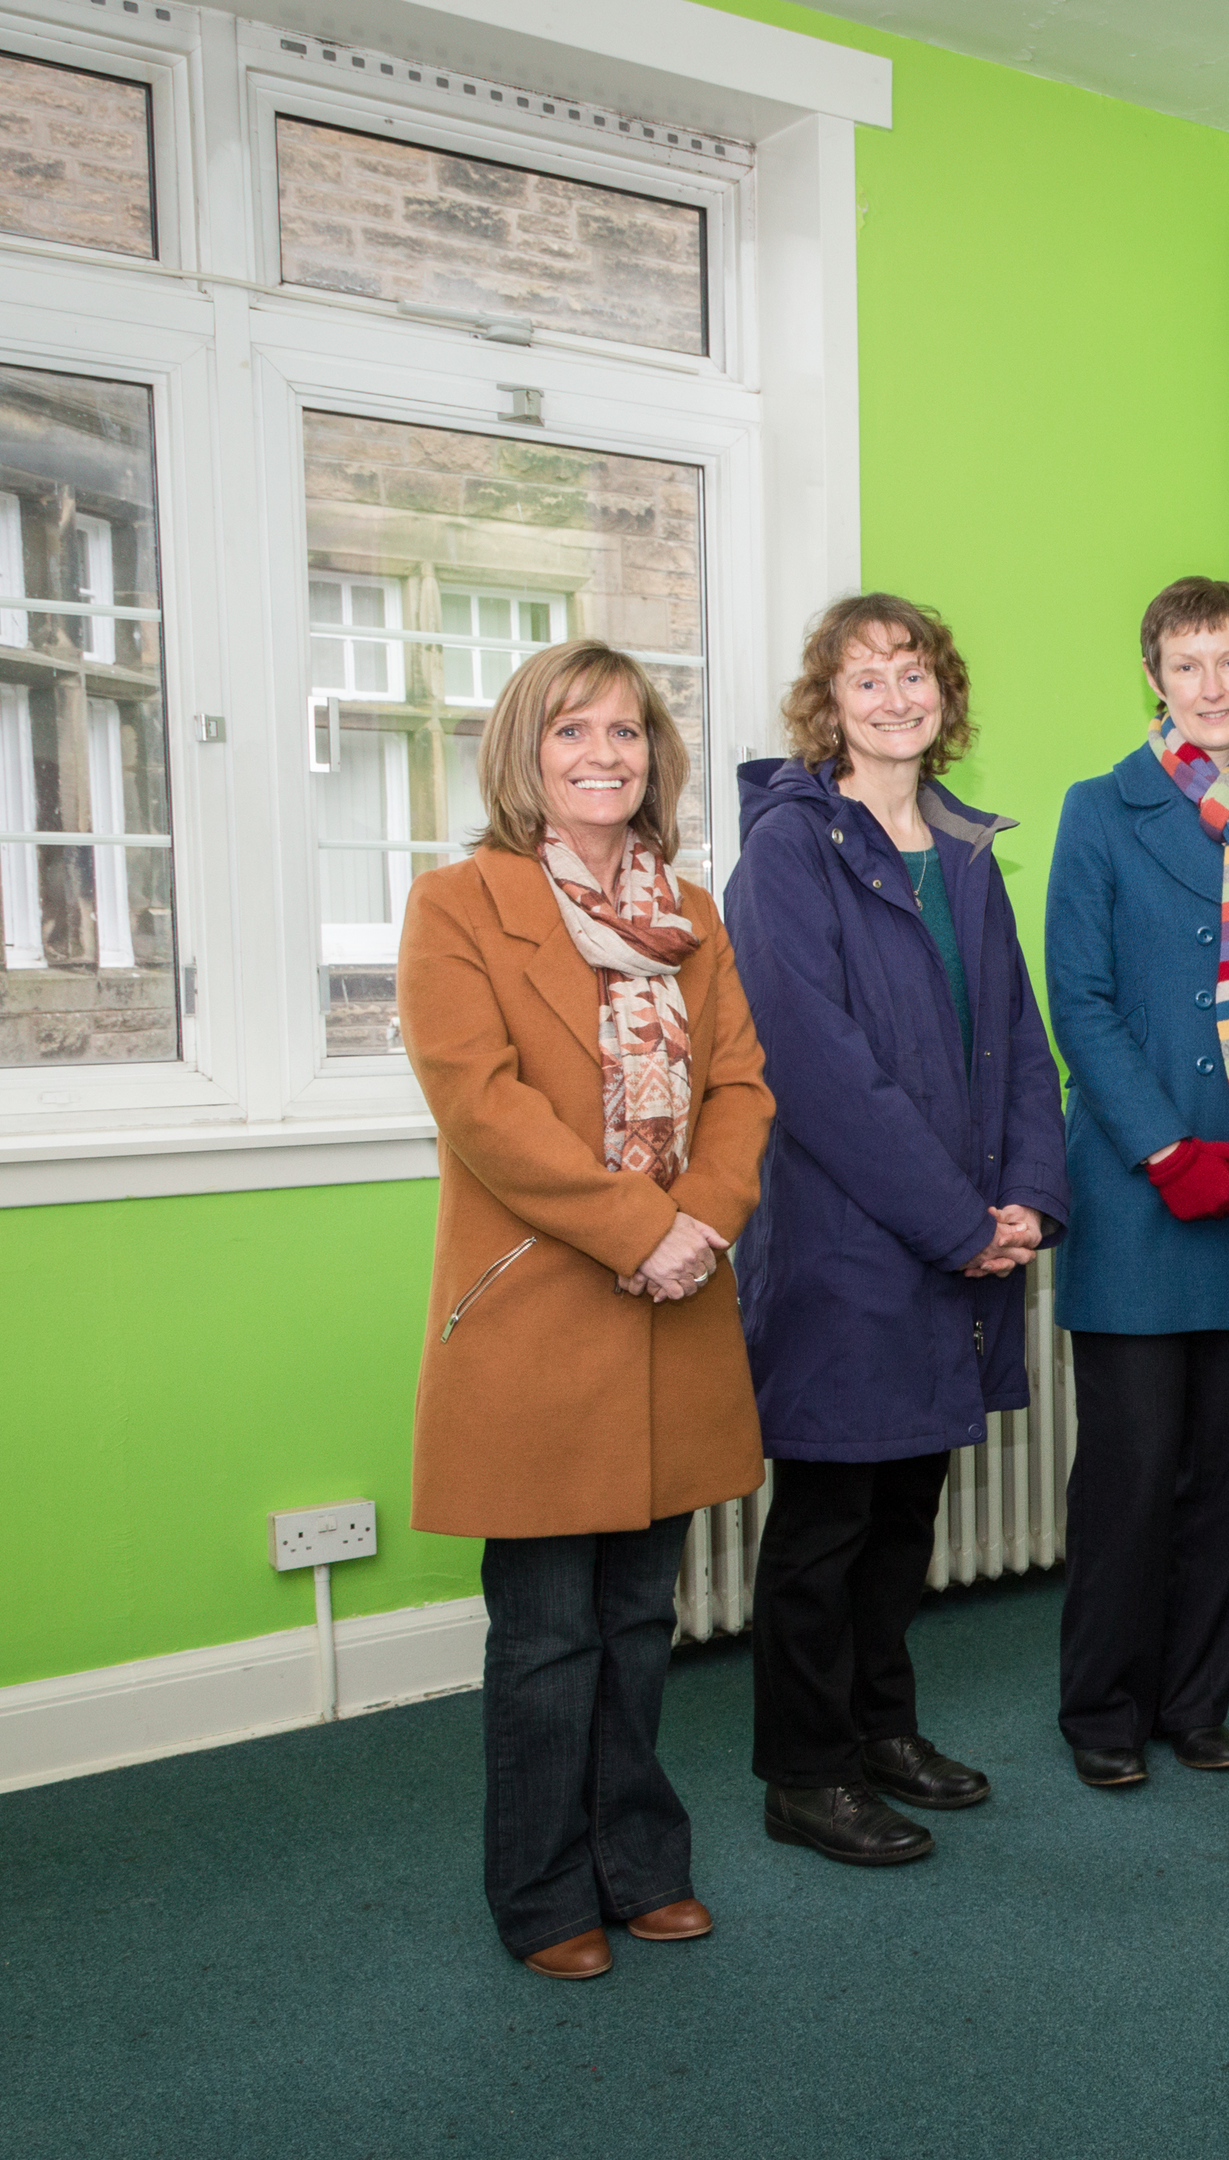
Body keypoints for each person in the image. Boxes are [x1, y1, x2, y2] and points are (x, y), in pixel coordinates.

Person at [401, 639, 774, 1981]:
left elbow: (740, 1084)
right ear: (526, 755)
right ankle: (543, 1890)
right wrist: (642, 1227)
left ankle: (642, 1864)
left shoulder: (691, 910)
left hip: (676, 1308)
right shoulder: (458, 906)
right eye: (574, 733)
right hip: (543, 1314)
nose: (604, 755)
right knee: (550, 1631)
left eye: (626, 732)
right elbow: (481, 1109)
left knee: (636, 1619)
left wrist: (706, 1223)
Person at [723, 593, 1068, 1869]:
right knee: (825, 1524)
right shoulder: (787, 851)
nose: (895, 697)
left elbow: (1022, 1044)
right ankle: (804, 1775)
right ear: (827, 701)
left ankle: (882, 1730)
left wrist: (1030, 1197)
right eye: (865, 678)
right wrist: (954, 1224)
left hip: (959, 1243)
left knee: (907, 1509)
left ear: (946, 695)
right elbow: (817, 1071)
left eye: (914, 673)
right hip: (849, 1246)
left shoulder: (967, 849)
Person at [1043, 576, 1229, 1789]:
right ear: (1154, 677)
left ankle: (1195, 1701)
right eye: (1187, 664)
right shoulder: (1098, 811)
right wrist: (1169, 1151)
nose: (1211, 687)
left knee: (1228, 1476)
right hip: (1140, 1188)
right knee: (1129, 1473)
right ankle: (1103, 1713)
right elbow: (1083, 1000)